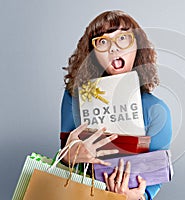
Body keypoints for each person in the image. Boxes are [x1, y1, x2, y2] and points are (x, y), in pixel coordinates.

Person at [60, 10, 172, 200]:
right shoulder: (74, 97)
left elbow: (156, 173)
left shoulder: (157, 110)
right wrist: (67, 156)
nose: (113, 49)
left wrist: (136, 196)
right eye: (102, 42)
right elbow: (62, 160)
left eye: (123, 39)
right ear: (92, 53)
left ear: (138, 47)